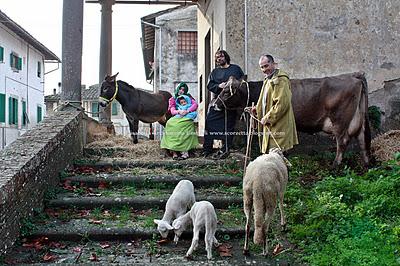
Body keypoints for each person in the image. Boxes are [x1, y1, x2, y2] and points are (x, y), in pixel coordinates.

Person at [250, 54, 298, 153]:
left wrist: (268, 118)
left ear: (274, 64)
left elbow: (282, 104)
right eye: (262, 67)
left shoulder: (280, 80)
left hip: (278, 124)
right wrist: (257, 109)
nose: (264, 69)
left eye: (266, 66)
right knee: (271, 155)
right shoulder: (268, 79)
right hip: (270, 125)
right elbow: (264, 100)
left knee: (278, 155)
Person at [202, 50, 244, 159]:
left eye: (221, 56)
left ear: (226, 56)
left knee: (228, 125)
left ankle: (226, 148)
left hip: (231, 102)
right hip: (218, 101)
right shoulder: (214, 72)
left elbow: (242, 81)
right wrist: (219, 86)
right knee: (209, 122)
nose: (219, 59)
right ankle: (207, 149)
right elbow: (210, 85)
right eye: (217, 58)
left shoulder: (235, 69)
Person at [161, 83, 199, 160]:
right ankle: (174, 151)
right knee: (169, 123)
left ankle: (185, 151)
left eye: (183, 90)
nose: (181, 91)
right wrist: (179, 111)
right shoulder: (173, 99)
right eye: (180, 89)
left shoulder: (188, 97)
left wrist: (187, 111)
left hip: (187, 115)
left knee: (184, 125)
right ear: (177, 89)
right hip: (178, 115)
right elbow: (172, 110)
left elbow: (195, 105)